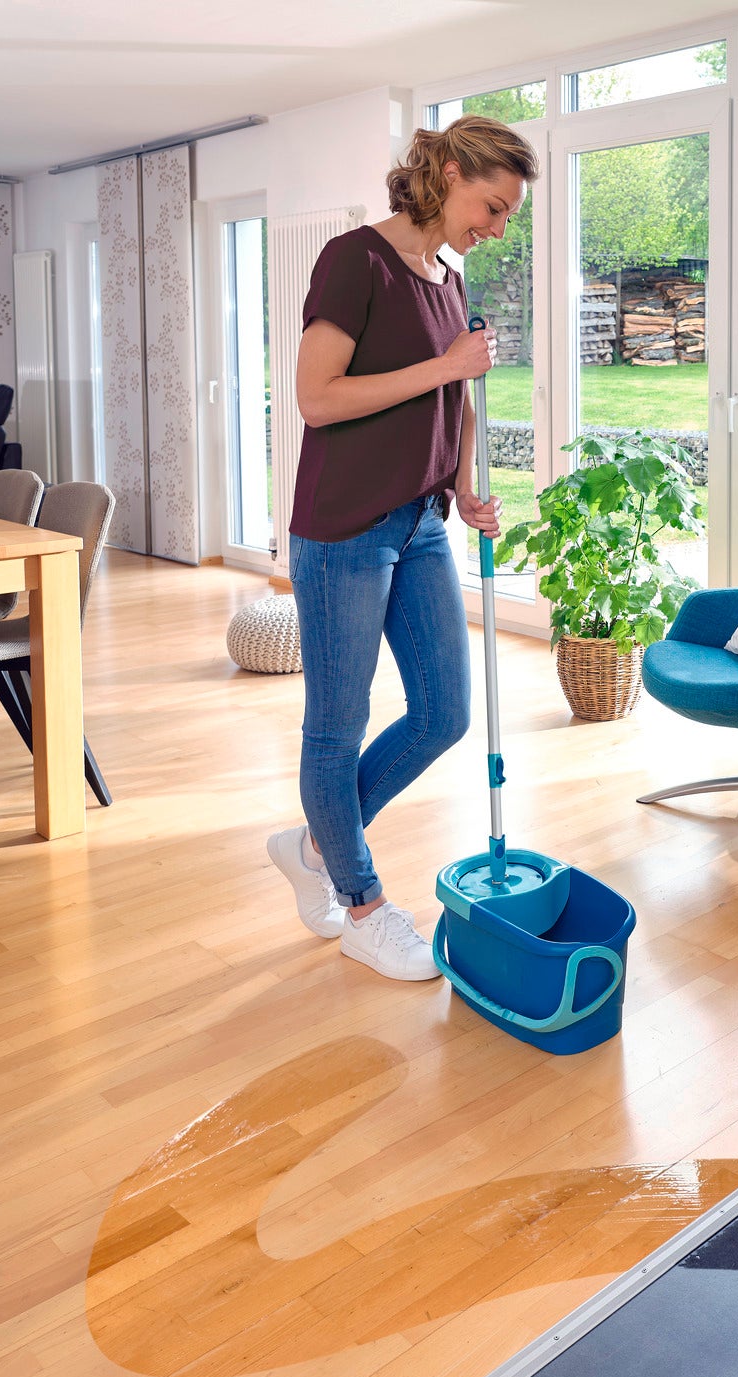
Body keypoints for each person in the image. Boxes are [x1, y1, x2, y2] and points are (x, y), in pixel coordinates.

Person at [267, 116, 537, 981]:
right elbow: (317, 398)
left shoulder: (446, 278)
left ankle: (315, 840)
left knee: (442, 715)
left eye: (504, 218)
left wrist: (461, 484)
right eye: (490, 207)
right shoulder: (358, 261)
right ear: (449, 174)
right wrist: (446, 366)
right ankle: (363, 903)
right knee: (336, 729)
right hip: (344, 527)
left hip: (422, 524)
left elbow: (453, 402)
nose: (494, 229)